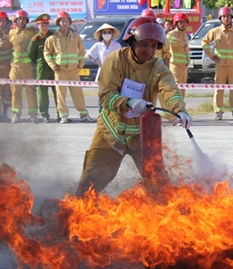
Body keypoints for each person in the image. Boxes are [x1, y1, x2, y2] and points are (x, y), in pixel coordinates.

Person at [75, 16, 191, 195]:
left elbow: (169, 89)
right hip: (111, 133)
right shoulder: (115, 60)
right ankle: (73, 214)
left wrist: (180, 110)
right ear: (132, 41)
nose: (149, 50)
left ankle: (161, 218)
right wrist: (130, 102)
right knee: (90, 184)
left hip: (142, 134)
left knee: (158, 184)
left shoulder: (158, 67)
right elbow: (106, 96)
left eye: (154, 46)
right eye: (144, 44)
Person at [201, 6, 233, 120]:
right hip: (220, 65)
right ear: (220, 18)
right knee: (219, 89)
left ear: (231, 17)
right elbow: (204, 42)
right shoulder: (215, 31)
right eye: (224, 16)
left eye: (228, 16)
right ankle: (218, 112)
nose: (226, 19)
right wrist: (212, 56)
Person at [44, 11, 93, 124]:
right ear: (58, 23)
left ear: (70, 23)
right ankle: (63, 116)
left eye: (66, 21)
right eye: (62, 21)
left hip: (73, 71)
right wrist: (53, 66)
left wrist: (80, 66)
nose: (64, 23)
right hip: (60, 71)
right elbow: (47, 53)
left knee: (78, 93)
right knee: (61, 94)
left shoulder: (75, 37)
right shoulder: (53, 38)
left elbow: (82, 53)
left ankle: (84, 115)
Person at [8, 10, 39, 124]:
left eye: (23, 19)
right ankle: (16, 114)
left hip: (28, 67)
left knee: (31, 91)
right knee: (15, 91)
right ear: (15, 20)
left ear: (27, 21)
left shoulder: (31, 33)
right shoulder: (11, 33)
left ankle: (33, 114)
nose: (21, 21)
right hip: (15, 68)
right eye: (19, 19)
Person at [29, 14, 58, 123]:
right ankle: (45, 115)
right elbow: (31, 54)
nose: (45, 27)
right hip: (42, 68)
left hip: (54, 67)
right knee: (43, 94)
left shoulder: (53, 36)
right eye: (42, 24)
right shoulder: (36, 39)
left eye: (46, 24)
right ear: (38, 25)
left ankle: (60, 114)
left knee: (58, 92)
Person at [165, 13, 190, 95]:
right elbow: (169, 39)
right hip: (175, 66)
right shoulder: (171, 34)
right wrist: (182, 43)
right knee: (176, 91)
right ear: (176, 23)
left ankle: (181, 107)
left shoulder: (184, 35)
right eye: (180, 22)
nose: (183, 24)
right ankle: (174, 108)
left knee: (182, 92)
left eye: (184, 22)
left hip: (184, 67)